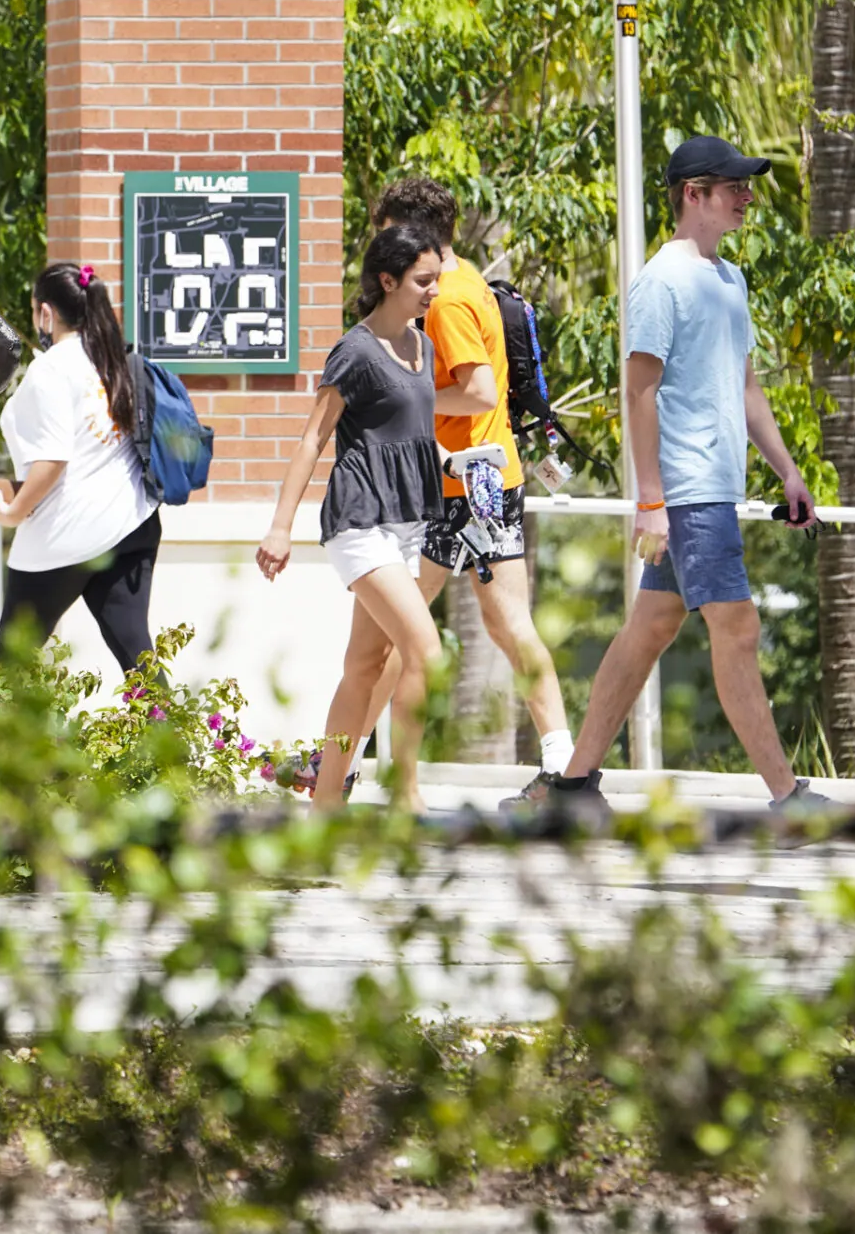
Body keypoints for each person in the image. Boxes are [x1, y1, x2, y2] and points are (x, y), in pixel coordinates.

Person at [537, 137, 820, 823]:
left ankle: (572, 787)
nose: (747, 196)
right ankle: (788, 798)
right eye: (733, 186)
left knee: (651, 628)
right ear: (693, 194)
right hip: (687, 491)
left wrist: (786, 468)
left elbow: (746, 384)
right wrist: (652, 501)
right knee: (740, 627)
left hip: (714, 487)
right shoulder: (661, 280)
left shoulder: (729, 280)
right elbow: (638, 391)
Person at [364, 179, 577, 808]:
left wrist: (405, 398)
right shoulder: (469, 281)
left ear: (415, 232)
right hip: (489, 476)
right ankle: (564, 770)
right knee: (507, 625)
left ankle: (340, 762)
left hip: (457, 482)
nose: (383, 246)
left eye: (389, 231)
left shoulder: (448, 300)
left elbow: (480, 391)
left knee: (399, 631)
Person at [256, 226, 450, 812]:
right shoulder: (356, 350)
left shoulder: (423, 346)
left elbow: (410, 432)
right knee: (427, 652)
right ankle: (406, 797)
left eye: (437, 279)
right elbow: (314, 438)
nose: (433, 291)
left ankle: (325, 810)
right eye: (423, 281)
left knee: (366, 666)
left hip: (409, 519)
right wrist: (281, 526)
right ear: (387, 281)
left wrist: (455, 463)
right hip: (360, 517)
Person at [0, 262, 162, 672]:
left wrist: (13, 512)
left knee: (8, 666)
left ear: (45, 313)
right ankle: (175, 734)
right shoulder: (112, 359)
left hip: (65, 536)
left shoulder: (51, 368)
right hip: (132, 525)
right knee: (138, 656)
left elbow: (53, 459)